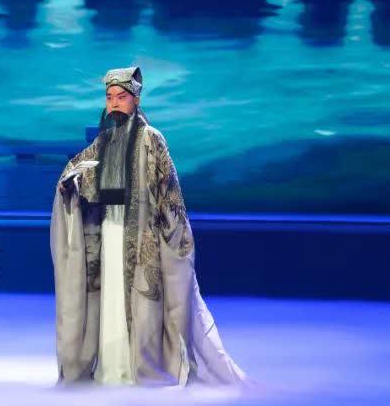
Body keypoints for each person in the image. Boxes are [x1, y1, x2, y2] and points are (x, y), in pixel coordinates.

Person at [51, 66, 245, 385]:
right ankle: (112, 368)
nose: (114, 103)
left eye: (121, 97)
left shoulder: (152, 140)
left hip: (143, 238)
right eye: (109, 98)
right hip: (110, 233)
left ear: (136, 100)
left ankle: (141, 368)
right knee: (111, 301)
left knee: (142, 306)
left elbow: (169, 194)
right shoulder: (104, 141)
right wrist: (71, 184)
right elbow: (81, 173)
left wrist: (174, 239)